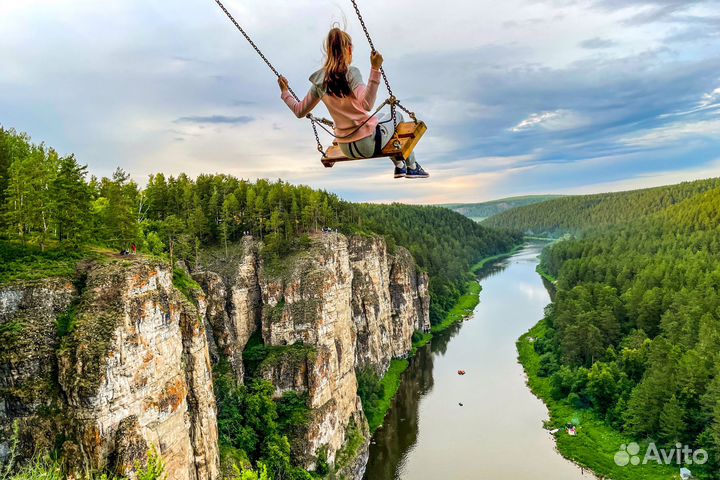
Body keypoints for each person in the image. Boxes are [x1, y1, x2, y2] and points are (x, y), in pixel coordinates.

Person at [278, 27, 429, 179]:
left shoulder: (319, 82)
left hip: (345, 148)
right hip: (368, 144)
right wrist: (375, 69)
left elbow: (299, 111)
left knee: (383, 115)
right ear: (349, 50)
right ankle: (412, 166)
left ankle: (400, 166)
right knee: (397, 115)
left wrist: (285, 92)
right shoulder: (351, 73)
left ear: (329, 51)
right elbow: (367, 104)